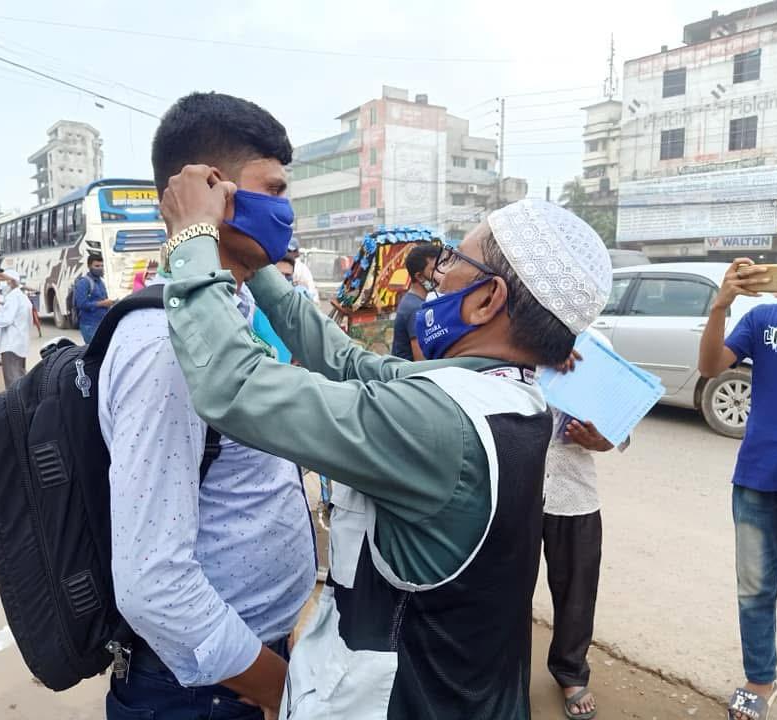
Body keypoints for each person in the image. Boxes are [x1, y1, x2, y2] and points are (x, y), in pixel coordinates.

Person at [159, 159, 612, 720]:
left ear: (487, 300)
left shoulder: (436, 424)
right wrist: (256, 264)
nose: (438, 275)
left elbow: (234, 384)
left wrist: (191, 239)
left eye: (453, 262)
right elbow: (346, 360)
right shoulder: (508, 397)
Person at [100, 92, 317, 720]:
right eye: (272, 190)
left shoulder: (226, 315)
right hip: (204, 689)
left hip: (242, 661)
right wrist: (274, 685)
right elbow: (153, 584)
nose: (286, 209)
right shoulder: (171, 347)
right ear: (213, 190)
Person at [699, 202, 777, 720]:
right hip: (758, 476)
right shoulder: (763, 316)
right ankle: (759, 682)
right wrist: (721, 305)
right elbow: (709, 367)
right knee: (754, 590)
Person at [541, 332, 627, 720]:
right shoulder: (509, 332)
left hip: (573, 491)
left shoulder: (596, 345)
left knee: (577, 588)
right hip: (513, 482)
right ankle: (502, 670)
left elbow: (618, 431)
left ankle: (570, 671)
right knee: (504, 585)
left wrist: (599, 441)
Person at [391, 242, 440, 360]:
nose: (440, 275)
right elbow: (421, 361)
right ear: (419, 276)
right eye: (434, 270)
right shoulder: (416, 309)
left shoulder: (415, 301)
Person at [0, 269, 32, 388]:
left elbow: (6, 319)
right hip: (19, 343)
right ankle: (22, 404)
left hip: (11, 344)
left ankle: (15, 405)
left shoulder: (13, 297)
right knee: (20, 376)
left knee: (12, 380)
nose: (1, 283)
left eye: (3, 280)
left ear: (11, 282)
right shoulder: (21, 297)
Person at [73, 255, 113, 343]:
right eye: (97, 266)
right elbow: (81, 304)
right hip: (89, 325)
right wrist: (101, 303)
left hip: (102, 323)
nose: (100, 268)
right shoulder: (84, 282)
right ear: (89, 266)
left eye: (102, 266)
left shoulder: (101, 282)